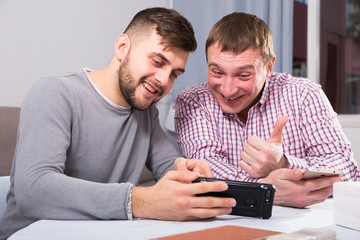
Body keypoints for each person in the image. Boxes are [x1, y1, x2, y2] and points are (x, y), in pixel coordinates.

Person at [0, 8, 236, 239]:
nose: (164, 80)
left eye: (175, 73)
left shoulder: (146, 114)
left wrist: (189, 175)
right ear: (123, 47)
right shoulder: (55, 93)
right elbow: (33, 191)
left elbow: (171, 168)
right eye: (157, 61)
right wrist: (140, 201)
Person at [175, 12, 360, 209]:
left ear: (269, 66)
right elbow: (206, 172)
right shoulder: (192, 101)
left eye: (243, 75)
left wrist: (282, 163)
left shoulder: (304, 94)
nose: (227, 90)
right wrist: (267, 189)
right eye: (217, 72)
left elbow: (347, 170)